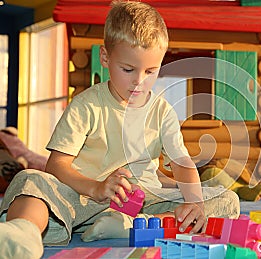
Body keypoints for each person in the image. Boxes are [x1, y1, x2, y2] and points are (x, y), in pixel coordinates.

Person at [0, 1, 240, 258]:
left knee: (226, 200)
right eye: (128, 69)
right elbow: (57, 165)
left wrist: (194, 203)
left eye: (151, 71)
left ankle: (135, 225)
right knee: (30, 181)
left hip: (143, 202)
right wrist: (96, 188)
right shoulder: (87, 104)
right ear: (105, 57)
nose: (139, 81)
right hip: (84, 199)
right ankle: (23, 235)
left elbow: (181, 162)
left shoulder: (162, 111)